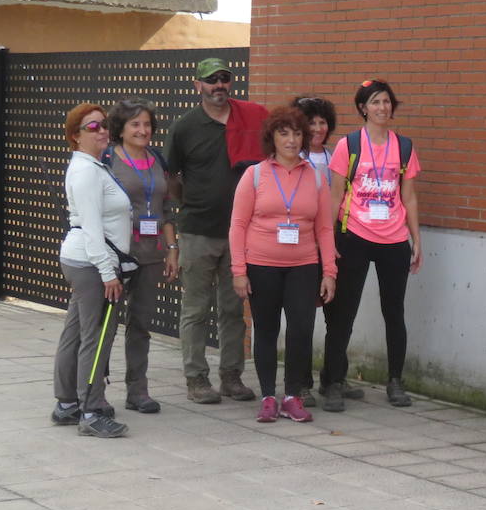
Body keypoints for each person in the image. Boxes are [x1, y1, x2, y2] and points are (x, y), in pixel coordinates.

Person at [165, 57, 267, 405]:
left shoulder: (250, 120)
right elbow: (171, 177)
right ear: (198, 85)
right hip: (197, 231)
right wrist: (191, 203)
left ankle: (231, 377)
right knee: (195, 310)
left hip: (240, 234)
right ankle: (196, 379)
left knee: (233, 308)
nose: (219, 85)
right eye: (211, 80)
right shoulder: (185, 127)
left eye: (224, 78)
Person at [229, 106, 338, 423]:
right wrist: (239, 271)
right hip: (261, 264)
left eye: (297, 133)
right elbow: (237, 225)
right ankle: (267, 396)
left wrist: (329, 271)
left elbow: (324, 229)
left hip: (303, 264)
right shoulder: (256, 175)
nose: (291, 140)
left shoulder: (315, 177)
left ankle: (292, 395)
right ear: (272, 137)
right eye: (284, 133)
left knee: (302, 330)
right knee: (266, 329)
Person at [321, 79, 422, 410]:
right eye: (376, 102)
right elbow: (335, 196)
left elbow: (408, 195)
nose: (383, 108)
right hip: (354, 235)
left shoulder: (403, 146)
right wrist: (328, 241)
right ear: (363, 108)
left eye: (387, 102)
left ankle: (395, 381)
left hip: (393, 237)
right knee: (343, 313)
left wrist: (415, 238)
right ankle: (333, 381)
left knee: (394, 312)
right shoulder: (348, 146)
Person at [50, 104, 132, 439]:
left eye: (103, 125)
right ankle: (91, 409)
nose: (102, 131)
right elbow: (92, 228)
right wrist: (108, 273)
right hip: (92, 264)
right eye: (92, 126)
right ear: (75, 136)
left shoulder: (93, 166)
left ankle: (67, 403)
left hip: (84, 261)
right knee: (96, 338)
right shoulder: (85, 172)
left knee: (76, 332)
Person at [103, 99, 178, 414]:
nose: (142, 130)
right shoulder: (107, 160)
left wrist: (173, 249)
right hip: (117, 255)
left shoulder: (157, 160)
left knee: (140, 324)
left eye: (146, 124)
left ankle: (138, 391)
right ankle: (95, 392)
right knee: (104, 324)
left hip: (151, 254)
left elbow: (166, 209)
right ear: (120, 128)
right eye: (135, 124)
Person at [292, 94, 364, 409]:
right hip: (305, 244)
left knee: (340, 315)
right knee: (304, 316)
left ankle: (335, 376)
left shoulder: (338, 156)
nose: (318, 128)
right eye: (311, 122)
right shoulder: (294, 159)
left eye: (323, 122)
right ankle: (301, 383)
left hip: (339, 241)